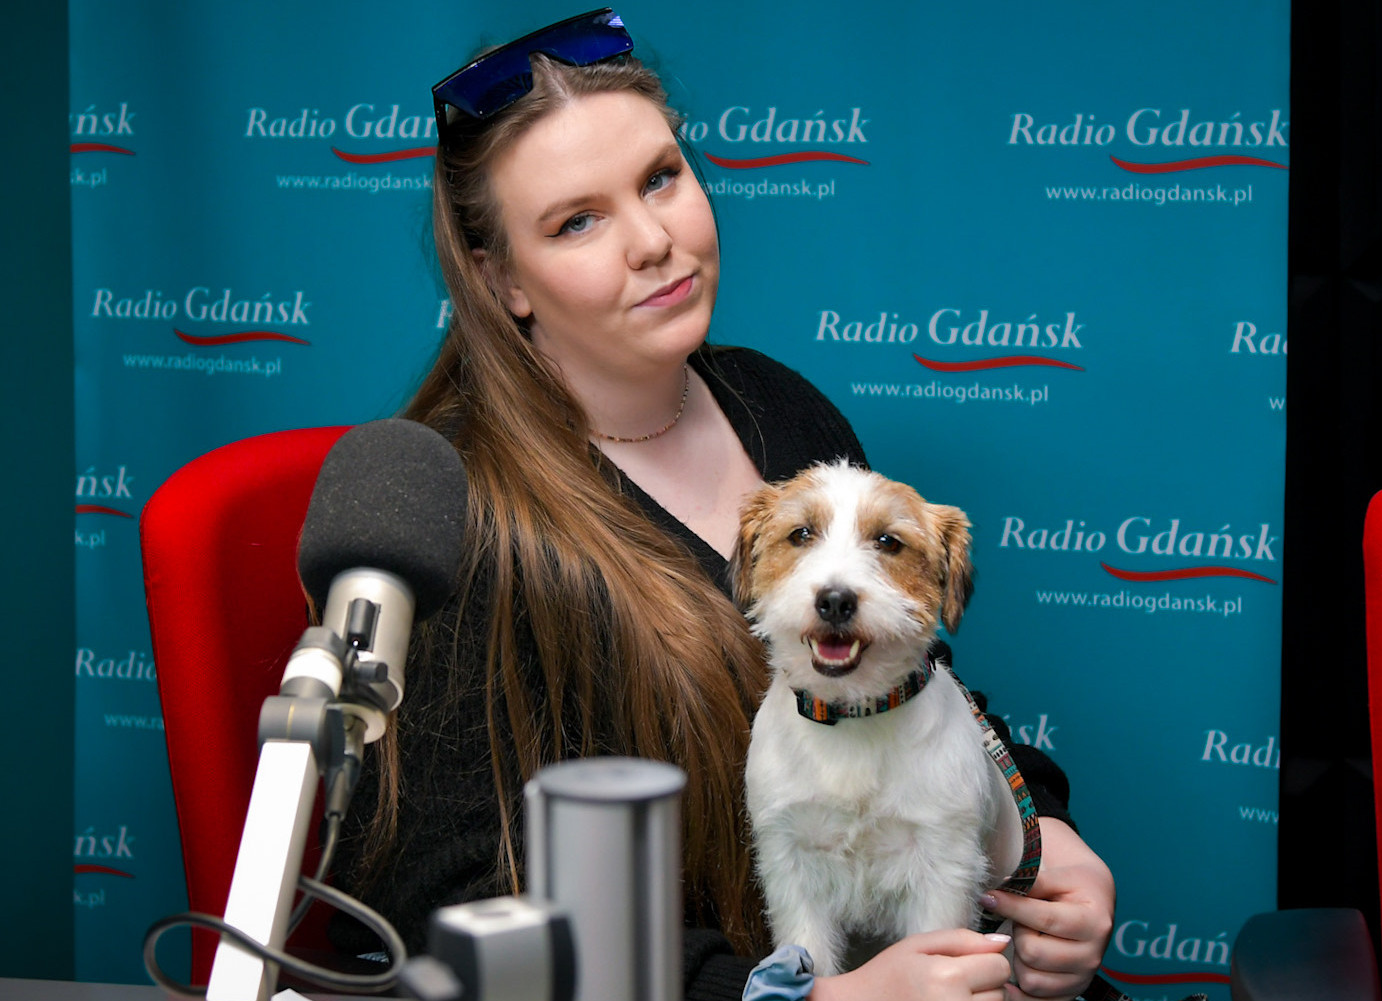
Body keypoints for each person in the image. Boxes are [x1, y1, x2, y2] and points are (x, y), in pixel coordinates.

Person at [332, 11, 1117, 1000]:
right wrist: (810, 997)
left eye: (661, 178)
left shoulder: (775, 403)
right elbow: (455, 902)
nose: (656, 240)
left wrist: (1044, 834)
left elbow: (917, 688)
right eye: (577, 221)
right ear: (500, 280)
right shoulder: (453, 507)